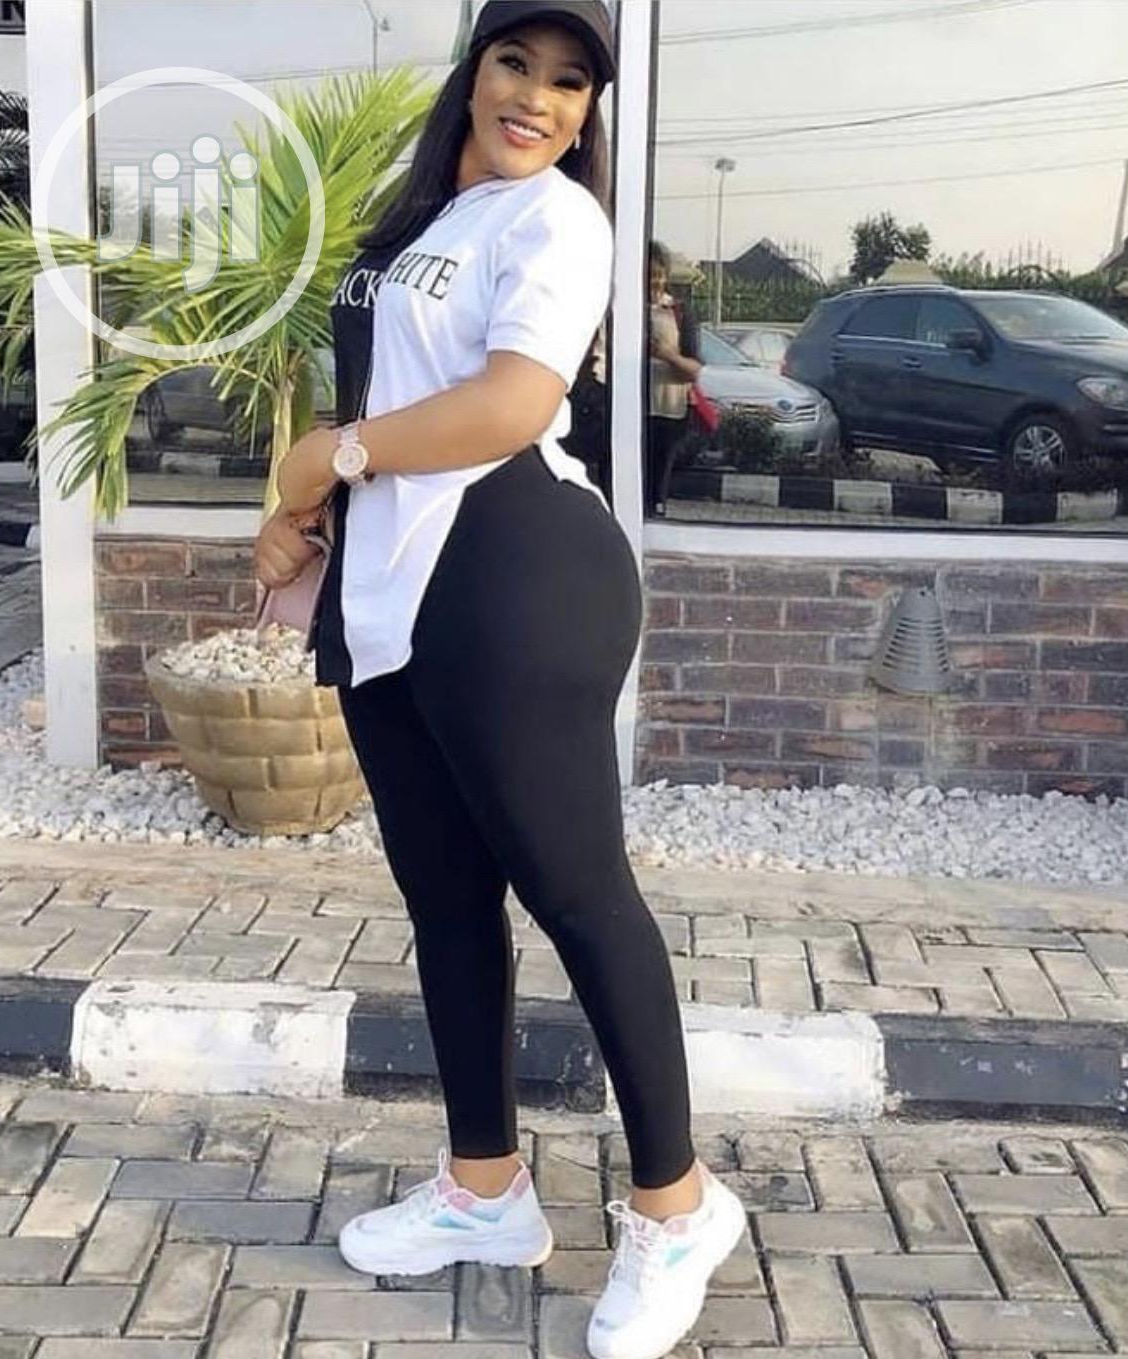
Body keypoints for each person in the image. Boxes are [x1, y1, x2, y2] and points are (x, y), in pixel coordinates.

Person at [255, 5, 745, 1356]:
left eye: (572, 81)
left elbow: (514, 402)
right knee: (448, 901)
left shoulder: (557, 221)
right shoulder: (427, 216)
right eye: (517, 63)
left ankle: (679, 1207)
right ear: (474, 70)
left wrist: (328, 457)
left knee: (580, 896)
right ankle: (486, 1190)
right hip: (392, 592)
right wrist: (298, 506)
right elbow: (380, 393)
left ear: (591, 112)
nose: (538, 97)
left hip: (515, 573)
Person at [646, 239, 702, 514]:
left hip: (668, 412)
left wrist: (667, 355)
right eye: (647, 276)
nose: (653, 283)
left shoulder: (678, 313)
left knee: (657, 484)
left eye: (658, 275)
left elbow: (694, 368)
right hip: (627, 412)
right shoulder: (620, 311)